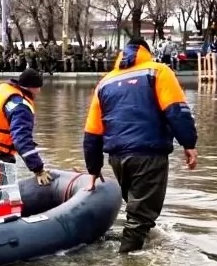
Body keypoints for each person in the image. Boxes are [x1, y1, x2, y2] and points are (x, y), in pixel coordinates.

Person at [82, 38, 198, 253]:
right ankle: (128, 264)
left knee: (136, 209)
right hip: (148, 154)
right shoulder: (158, 71)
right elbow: (176, 111)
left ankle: (135, 247)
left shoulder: (105, 82)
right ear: (147, 51)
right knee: (140, 216)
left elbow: (92, 132)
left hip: (118, 159)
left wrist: (93, 168)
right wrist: (189, 143)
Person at [0, 68, 53, 186]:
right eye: (38, 87)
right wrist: (38, 170)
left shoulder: (2, 89)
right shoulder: (21, 107)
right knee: (3, 197)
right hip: (0, 156)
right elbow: (21, 140)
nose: (39, 91)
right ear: (31, 87)